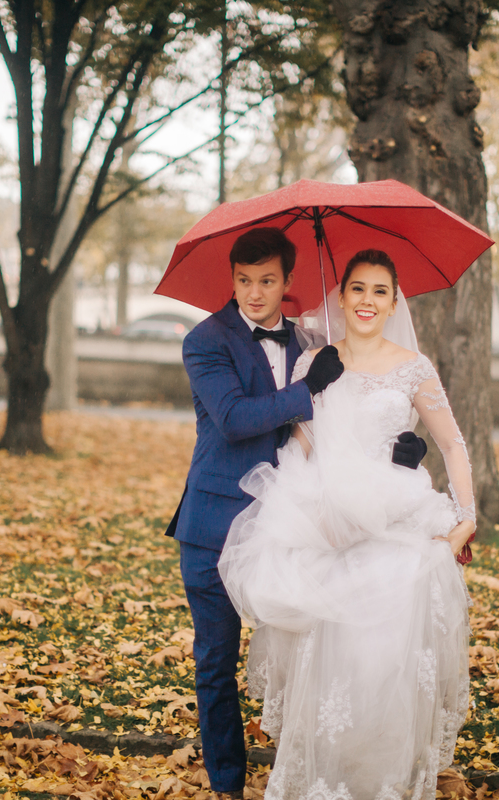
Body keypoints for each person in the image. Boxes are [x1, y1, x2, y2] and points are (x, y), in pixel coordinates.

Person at [218, 249, 477, 800]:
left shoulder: (414, 367)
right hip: (330, 531)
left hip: (395, 530)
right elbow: (303, 443)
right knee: (332, 673)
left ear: (393, 301)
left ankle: (381, 785)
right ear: (342, 296)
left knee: (383, 666)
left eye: (379, 291)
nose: (367, 301)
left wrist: (466, 516)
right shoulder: (316, 363)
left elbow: (452, 443)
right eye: (357, 289)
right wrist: (303, 507)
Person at [166, 227, 346, 799]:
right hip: (214, 527)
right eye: (244, 281)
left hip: (290, 526)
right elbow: (236, 419)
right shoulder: (205, 339)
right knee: (216, 665)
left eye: (267, 281)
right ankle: (228, 786)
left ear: (288, 282)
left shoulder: (310, 343)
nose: (254, 293)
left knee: (304, 662)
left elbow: (336, 424)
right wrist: (306, 391)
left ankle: (299, 780)